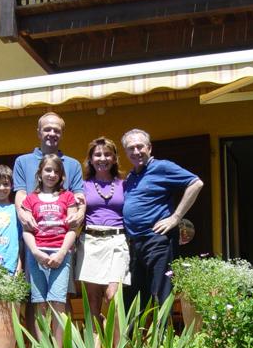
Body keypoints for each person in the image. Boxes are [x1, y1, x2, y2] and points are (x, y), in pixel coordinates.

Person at [13, 111, 85, 335]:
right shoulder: (23, 161)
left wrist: (81, 213)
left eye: (57, 130)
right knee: (35, 298)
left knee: (61, 296)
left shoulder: (72, 164)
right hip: (33, 238)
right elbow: (20, 192)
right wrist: (22, 214)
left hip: (62, 242)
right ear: (38, 132)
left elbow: (79, 196)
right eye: (47, 129)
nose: (52, 133)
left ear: (62, 133)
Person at [121, 128, 204, 308]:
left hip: (157, 240)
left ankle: (163, 328)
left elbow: (196, 183)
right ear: (126, 152)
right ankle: (136, 329)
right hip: (135, 244)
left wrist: (176, 217)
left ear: (149, 147)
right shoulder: (131, 176)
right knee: (135, 299)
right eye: (131, 148)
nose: (136, 151)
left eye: (140, 146)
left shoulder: (162, 167)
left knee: (160, 295)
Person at [21, 154, 78, 348]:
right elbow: (27, 231)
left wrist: (62, 253)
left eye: (56, 171)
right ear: (39, 173)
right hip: (37, 254)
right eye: (48, 170)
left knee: (58, 302)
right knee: (40, 302)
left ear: (61, 176)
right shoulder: (30, 199)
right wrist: (36, 252)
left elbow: (72, 229)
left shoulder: (67, 197)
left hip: (61, 253)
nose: (51, 174)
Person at [75, 137, 130, 329]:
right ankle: (95, 343)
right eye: (97, 155)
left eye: (107, 154)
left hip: (117, 240)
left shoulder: (124, 184)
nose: (102, 158)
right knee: (93, 300)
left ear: (114, 158)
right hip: (90, 242)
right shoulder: (82, 186)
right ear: (90, 159)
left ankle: (116, 343)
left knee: (113, 296)